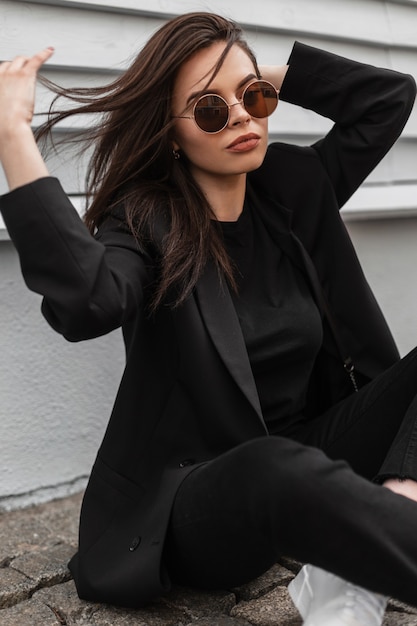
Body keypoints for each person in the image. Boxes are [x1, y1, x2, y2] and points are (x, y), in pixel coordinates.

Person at [0, 11, 417, 626]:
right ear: (172, 134)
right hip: (201, 495)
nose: (244, 117)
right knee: (274, 466)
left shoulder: (294, 185)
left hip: (312, 456)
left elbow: (389, 99)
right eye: (211, 110)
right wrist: (13, 136)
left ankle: (372, 539)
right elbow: (85, 304)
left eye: (254, 98)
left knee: (299, 463)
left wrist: (241, 72)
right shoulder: (143, 221)